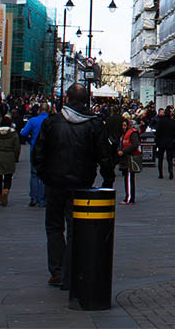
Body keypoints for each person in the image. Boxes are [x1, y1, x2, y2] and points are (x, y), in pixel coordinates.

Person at [32, 83, 114, 289]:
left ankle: (57, 270)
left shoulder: (52, 122)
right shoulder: (94, 125)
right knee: (75, 227)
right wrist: (107, 179)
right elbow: (104, 155)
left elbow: (38, 154)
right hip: (81, 183)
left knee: (53, 226)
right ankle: (70, 272)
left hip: (55, 183)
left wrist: (45, 176)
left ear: (67, 99)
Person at [20, 102, 50, 207]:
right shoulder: (52, 121)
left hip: (35, 149)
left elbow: (23, 133)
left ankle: (34, 198)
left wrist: (30, 139)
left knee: (34, 174)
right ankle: (42, 199)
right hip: (47, 150)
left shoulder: (33, 121)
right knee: (45, 175)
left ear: (39, 110)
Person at [117, 117, 141, 204]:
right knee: (127, 178)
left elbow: (135, 144)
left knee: (129, 179)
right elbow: (121, 144)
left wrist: (123, 151)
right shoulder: (124, 134)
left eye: (125, 125)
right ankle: (128, 196)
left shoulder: (132, 133)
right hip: (125, 159)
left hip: (130, 158)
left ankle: (129, 198)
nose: (123, 127)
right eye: (122, 125)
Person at [154, 107, 175, 180]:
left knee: (160, 158)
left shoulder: (160, 121)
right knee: (169, 158)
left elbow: (157, 131)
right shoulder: (173, 122)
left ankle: (160, 173)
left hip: (161, 142)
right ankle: (170, 172)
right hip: (169, 141)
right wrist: (171, 138)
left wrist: (158, 138)